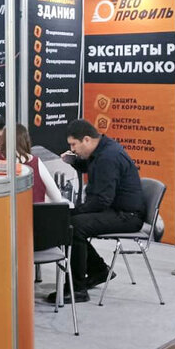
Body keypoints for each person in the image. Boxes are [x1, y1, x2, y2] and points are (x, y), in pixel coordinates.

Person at [47, 119, 145, 304]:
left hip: (127, 216)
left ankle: (78, 289)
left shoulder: (108, 157)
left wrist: (75, 211)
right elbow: (92, 167)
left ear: (86, 140)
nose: (72, 149)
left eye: (73, 145)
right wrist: (74, 162)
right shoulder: (102, 150)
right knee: (69, 222)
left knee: (73, 225)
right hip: (118, 210)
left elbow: (101, 200)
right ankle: (98, 270)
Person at [0, 124, 65, 204]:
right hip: (31, 211)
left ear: (3, 139)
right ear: (26, 141)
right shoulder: (36, 162)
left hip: (0, 210)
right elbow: (57, 198)